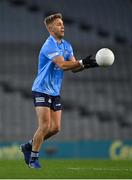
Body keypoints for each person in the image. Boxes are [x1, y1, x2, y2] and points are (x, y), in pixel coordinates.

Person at [20, 13, 99, 169]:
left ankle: (28, 145)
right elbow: (63, 65)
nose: (62, 26)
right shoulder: (49, 45)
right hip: (41, 89)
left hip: (54, 92)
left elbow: (74, 68)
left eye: (62, 23)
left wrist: (89, 64)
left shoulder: (67, 45)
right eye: (58, 24)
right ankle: (33, 159)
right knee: (44, 126)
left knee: (55, 128)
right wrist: (82, 62)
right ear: (50, 29)